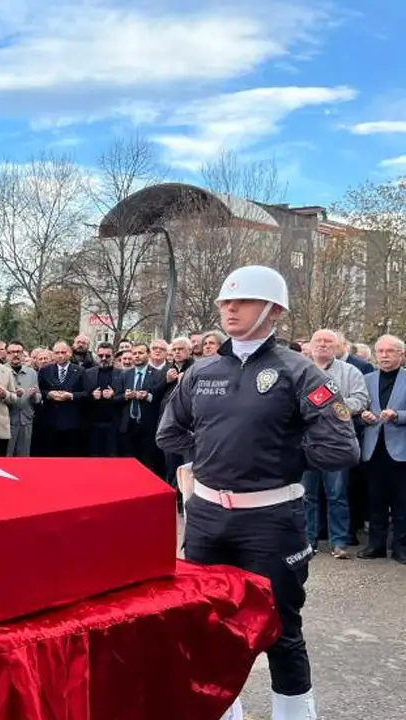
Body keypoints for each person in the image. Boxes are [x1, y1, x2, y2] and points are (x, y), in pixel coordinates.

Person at [157, 265, 360, 720]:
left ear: (273, 310)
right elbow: (169, 434)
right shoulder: (202, 369)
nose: (229, 308)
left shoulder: (300, 371)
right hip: (207, 518)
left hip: (272, 521)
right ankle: (221, 710)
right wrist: (210, 454)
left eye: (242, 301)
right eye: (225, 303)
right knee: (204, 622)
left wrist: (276, 453)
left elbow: (340, 447)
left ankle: (294, 713)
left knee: (281, 629)